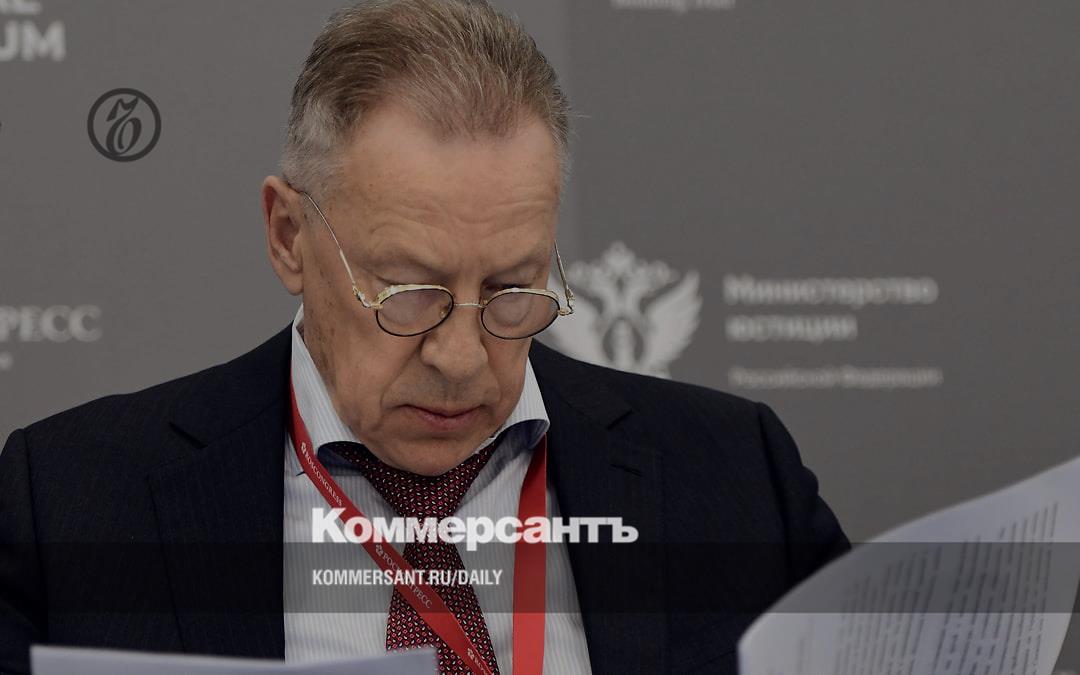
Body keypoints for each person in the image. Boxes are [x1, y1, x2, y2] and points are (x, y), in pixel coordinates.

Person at [0, 1, 848, 673]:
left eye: (511, 288)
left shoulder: (736, 475)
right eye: (410, 294)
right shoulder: (74, 501)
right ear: (289, 236)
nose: (462, 357)